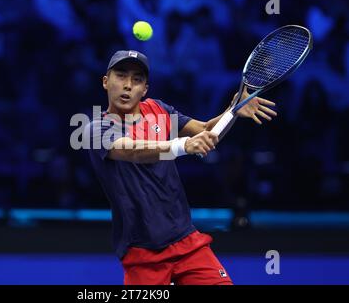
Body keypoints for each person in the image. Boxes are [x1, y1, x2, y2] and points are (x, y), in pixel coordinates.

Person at [86, 50, 276, 285]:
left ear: (145, 89)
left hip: (187, 243)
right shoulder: (97, 129)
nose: (127, 85)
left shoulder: (159, 109)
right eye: (121, 76)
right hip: (142, 252)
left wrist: (234, 110)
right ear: (106, 81)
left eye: (137, 80)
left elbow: (206, 131)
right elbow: (134, 151)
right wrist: (183, 145)